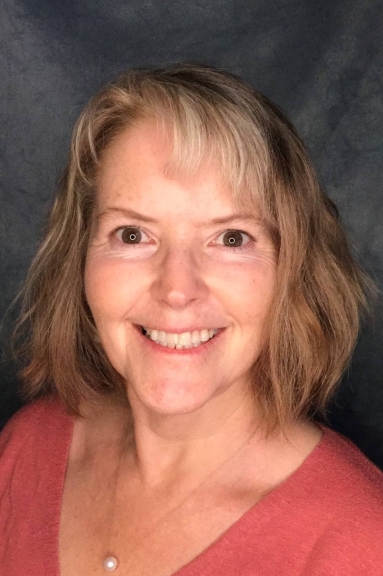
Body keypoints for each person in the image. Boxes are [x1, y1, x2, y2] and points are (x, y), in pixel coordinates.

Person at [1, 63, 383, 576]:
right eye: (133, 235)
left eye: (231, 238)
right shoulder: (25, 450)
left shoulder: (360, 541)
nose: (177, 290)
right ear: (80, 260)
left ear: (294, 270)